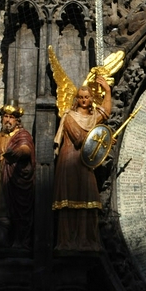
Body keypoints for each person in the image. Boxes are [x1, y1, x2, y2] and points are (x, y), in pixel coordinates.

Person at [53, 75, 112, 251]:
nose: (84, 100)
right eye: (81, 97)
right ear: (76, 99)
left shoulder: (93, 117)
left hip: (84, 163)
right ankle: (67, 241)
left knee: (89, 199)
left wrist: (108, 91)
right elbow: (80, 139)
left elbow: (106, 112)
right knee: (70, 200)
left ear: (91, 99)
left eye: (87, 97)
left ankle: (88, 240)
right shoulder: (70, 117)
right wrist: (102, 136)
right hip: (70, 161)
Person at [0, 103, 35, 248]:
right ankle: (4, 239)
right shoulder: (0, 138)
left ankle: (21, 241)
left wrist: (16, 154)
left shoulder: (22, 135)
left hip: (18, 177)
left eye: (11, 117)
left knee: (19, 209)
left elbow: (26, 149)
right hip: (3, 178)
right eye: (5, 117)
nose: (8, 120)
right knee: (3, 209)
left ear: (17, 121)